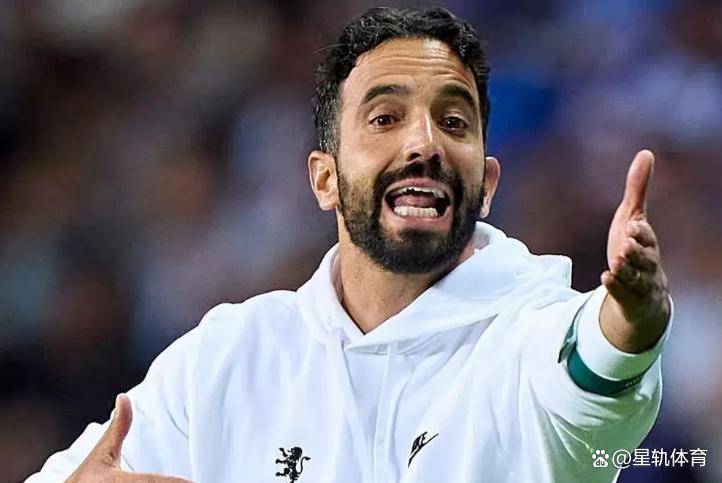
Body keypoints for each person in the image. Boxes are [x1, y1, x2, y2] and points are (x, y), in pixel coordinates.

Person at [27, 7, 672, 483]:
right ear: (325, 179)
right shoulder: (228, 357)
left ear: (486, 182)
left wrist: (631, 320)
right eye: (385, 118)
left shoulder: (530, 334)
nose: (424, 143)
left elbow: (592, 371)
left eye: (453, 121)